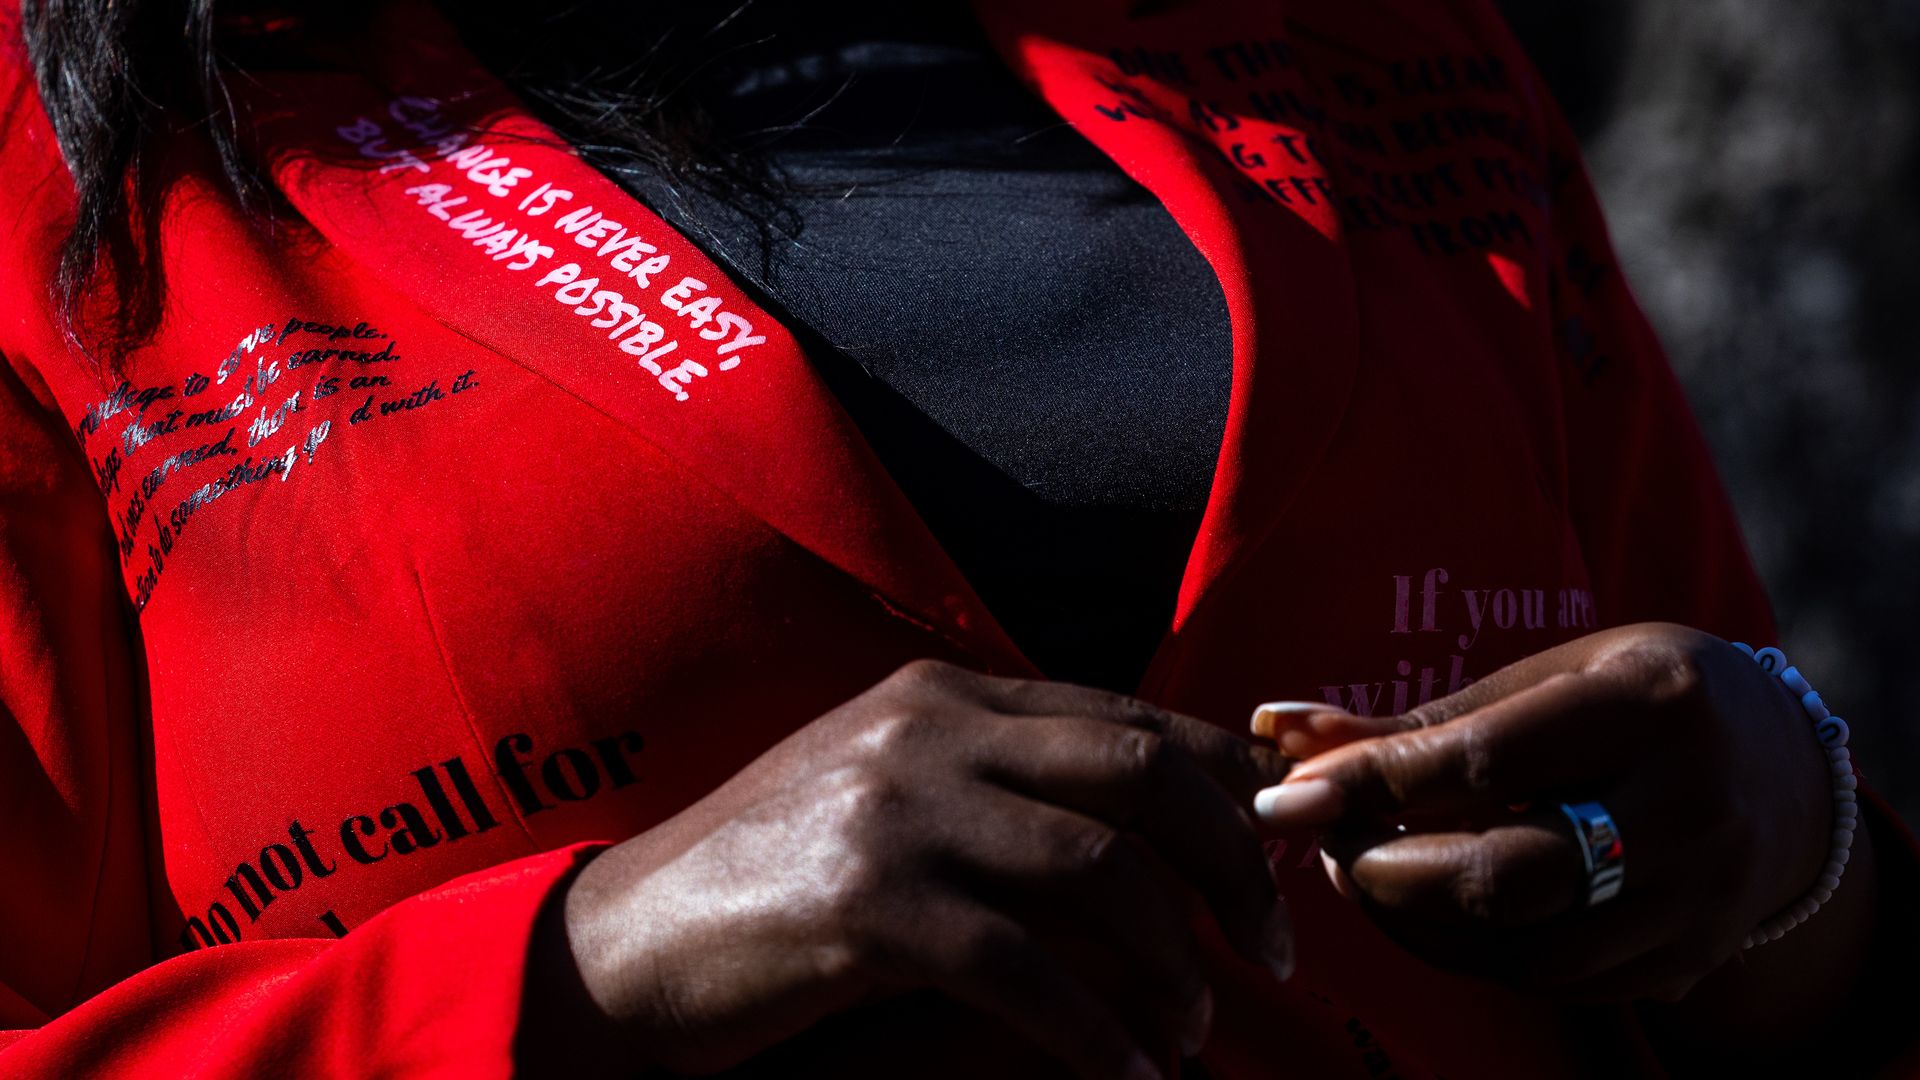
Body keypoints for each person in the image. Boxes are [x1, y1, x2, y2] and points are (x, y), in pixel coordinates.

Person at [0, 0, 1912, 1075]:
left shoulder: (1381, 51)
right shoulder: (63, 171)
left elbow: (1785, 939)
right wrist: (598, 963)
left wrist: (1800, 852)